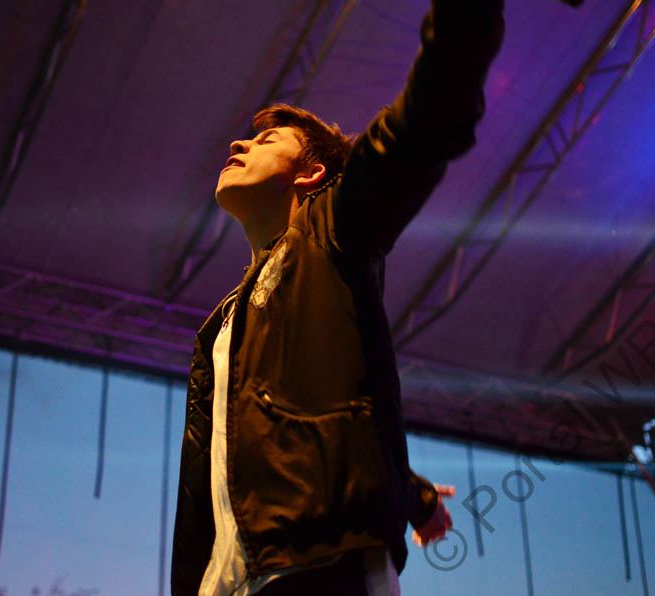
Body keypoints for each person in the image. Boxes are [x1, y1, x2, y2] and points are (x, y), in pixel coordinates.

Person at [171, 1, 505, 594]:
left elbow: (422, 122)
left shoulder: (334, 231)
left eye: (266, 140)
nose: (239, 144)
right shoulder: (225, 322)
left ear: (310, 175)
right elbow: (290, 434)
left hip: (321, 563)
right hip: (230, 582)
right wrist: (412, 490)